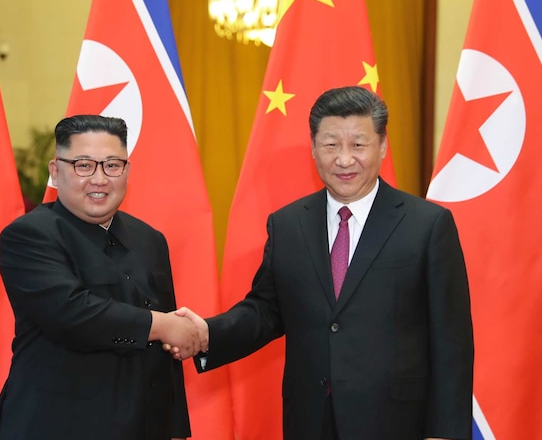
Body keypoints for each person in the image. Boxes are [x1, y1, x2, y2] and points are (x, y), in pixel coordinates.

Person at [176, 86, 474, 439]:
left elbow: (452, 343)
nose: (344, 159)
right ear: (314, 148)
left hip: (396, 422)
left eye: (358, 145)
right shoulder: (288, 224)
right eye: (331, 144)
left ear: (382, 146)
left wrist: (445, 433)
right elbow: (266, 310)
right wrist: (207, 334)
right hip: (310, 419)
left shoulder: (427, 225)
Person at [0, 115, 198, 440]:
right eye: (83, 165)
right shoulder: (29, 235)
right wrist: (162, 325)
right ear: (56, 171)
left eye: (112, 165)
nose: (99, 179)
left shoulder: (150, 239)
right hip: (57, 425)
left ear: (127, 170)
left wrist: (175, 429)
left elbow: (163, 354)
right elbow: (74, 316)